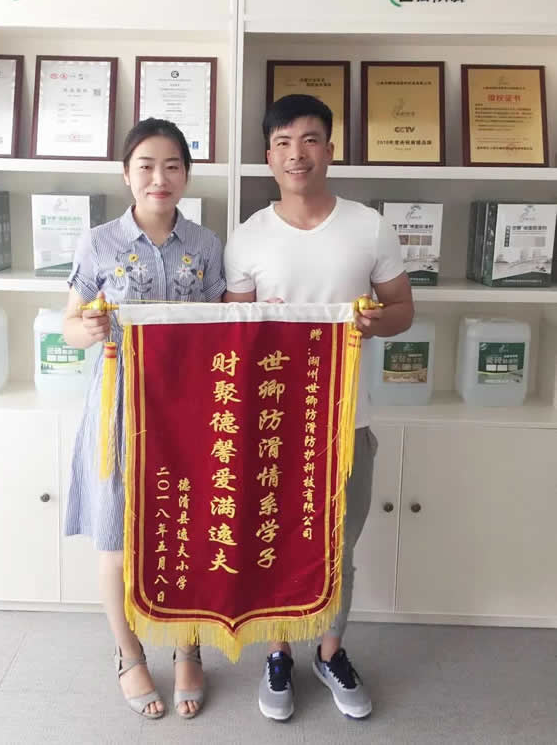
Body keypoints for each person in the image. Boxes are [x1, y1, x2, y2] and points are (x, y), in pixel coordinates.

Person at [223, 93, 413, 722]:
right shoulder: (249, 236)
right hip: (271, 422)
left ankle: (330, 652)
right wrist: (261, 323)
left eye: (309, 140)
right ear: (268, 156)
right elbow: (231, 332)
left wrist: (371, 321)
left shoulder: (368, 227)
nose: (296, 154)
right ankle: (278, 652)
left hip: (346, 419)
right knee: (273, 539)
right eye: (282, 142)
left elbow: (402, 310)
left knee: (338, 545)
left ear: (329, 149)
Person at [63, 118, 226, 720]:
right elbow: (68, 326)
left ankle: (188, 647)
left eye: (173, 166)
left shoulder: (206, 245)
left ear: (187, 175)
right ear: (126, 174)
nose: (160, 178)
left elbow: (223, 327)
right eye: (146, 166)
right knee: (116, 537)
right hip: (118, 407)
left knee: (187, 527)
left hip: (189, 407)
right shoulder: (98, 242)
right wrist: (88, 327)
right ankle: (128, 653)